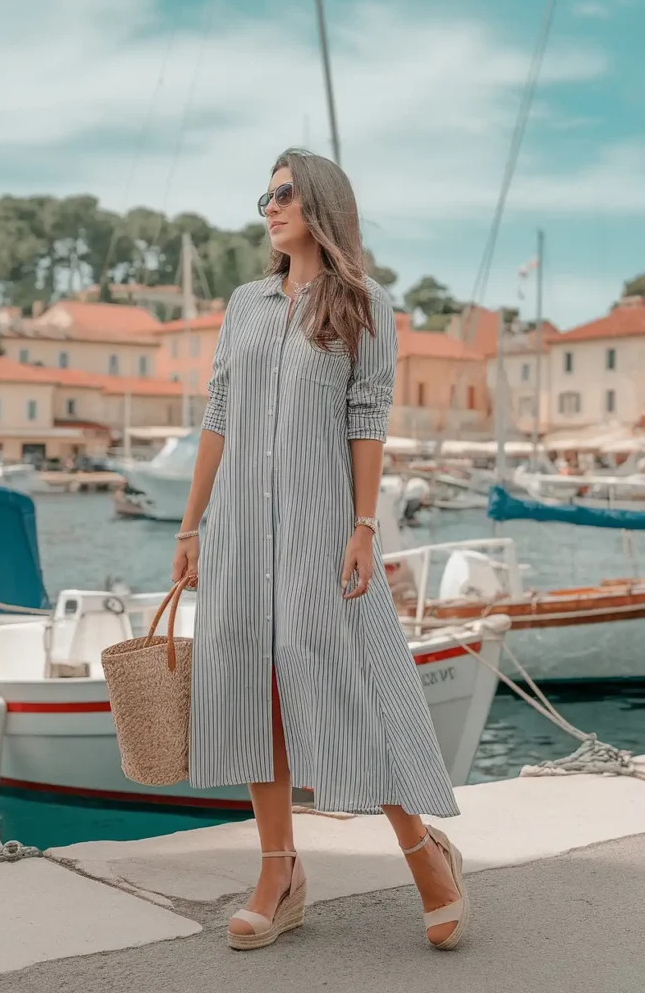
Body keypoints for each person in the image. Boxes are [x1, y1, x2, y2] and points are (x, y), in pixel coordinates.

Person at [172, 148, 467, 953]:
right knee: (251, 690)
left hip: (320, 529)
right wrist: (190, 526)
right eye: (263, 195)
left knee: (352, 684)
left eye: (284, 193)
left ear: (321, 204)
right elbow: (219, 417)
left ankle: (423, 849)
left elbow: (366, 418)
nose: (268, 206)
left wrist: (364, 526)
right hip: (236, 530)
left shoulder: (365, 304)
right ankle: (279, 871)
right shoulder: (244, 304)